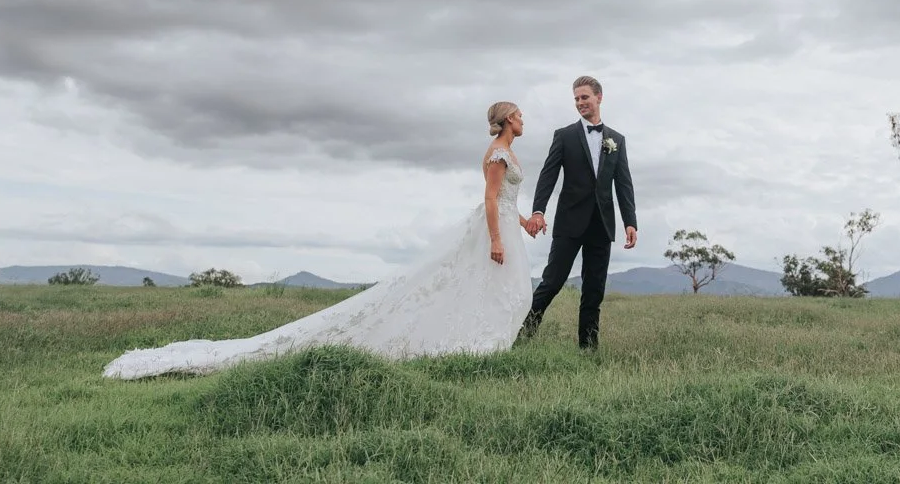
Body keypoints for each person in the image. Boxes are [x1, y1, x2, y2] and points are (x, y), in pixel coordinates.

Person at [102, 102, 537, 379]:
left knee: (504, 290)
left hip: (501, 225)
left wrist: (523, 223)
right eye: (518, 115)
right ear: (506, 121)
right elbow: (488, 198)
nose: (523, 120)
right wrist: (497, 238)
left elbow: (504, 200)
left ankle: (482, 345)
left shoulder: (511, 153)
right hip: (489, 230)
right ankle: (469, 345)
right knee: (483, 284)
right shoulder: (497, 153)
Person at [520, 75, 638, 350]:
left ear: (599, 97)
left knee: (594, 290)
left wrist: (630, 221)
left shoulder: (616, 140)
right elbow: (547, 176)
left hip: (602, 224)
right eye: (576, 98)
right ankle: (524, 335)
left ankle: (588, 348)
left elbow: (624, 183)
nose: (580, 103)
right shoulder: (564, 136)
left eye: (584, 97)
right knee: (552, 282)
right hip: (569, 223)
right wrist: (538, 210)